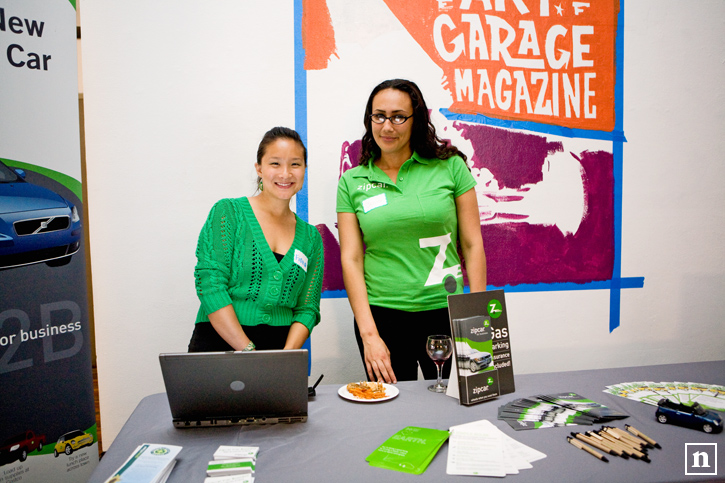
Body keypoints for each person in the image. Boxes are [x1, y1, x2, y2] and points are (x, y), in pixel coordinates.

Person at [336, 79, 486, 383]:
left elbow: (472, 244)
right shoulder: (352, 181)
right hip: (382, 317)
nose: (387, 126)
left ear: (416, 120)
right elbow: (351, 259)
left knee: (452, 409)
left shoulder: (451, 167)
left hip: (445, 313)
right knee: (393, 419)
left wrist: (476, 319)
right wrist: (369, 335)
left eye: (398, 116)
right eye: (379, 116)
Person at [188, 127, 324, 352]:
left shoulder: (311, 238)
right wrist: (249, 352)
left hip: (278, 350)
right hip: (218, 343)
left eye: (295, 164)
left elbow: (307, 308)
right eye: (275, 163)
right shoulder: (228, 213)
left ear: (304, 170)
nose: (285, 173)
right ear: (259, 168)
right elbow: (210, 285)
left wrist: (285, 357)